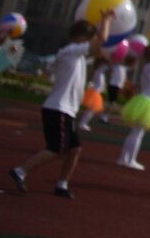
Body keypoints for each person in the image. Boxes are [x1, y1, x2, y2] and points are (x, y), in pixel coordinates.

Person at [8, 13, 112, 198]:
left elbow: (100, 49)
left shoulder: (77, 56)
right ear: (81, 38)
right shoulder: (71, 51)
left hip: (66, 110)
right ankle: (20, 171)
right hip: (58, 108)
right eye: (88, 38)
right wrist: (107, 21)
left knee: (75, 149)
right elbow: (101, 40)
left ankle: (62, 184)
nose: (91, 41)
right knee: (56, 148)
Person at [76, 57, 109, 131]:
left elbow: (100, 84)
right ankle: (82, 123)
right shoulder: (97, 73)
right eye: (104, 65)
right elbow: (92, 82)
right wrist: (90, 88)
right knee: (90, 110)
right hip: (94, 92)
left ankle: (83, 123)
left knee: (91, 110)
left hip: (97, 93)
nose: (106, 67)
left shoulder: (101, 74)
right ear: (100, 64)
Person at [103, 53, 134, 123]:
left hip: (117, 86)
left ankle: (105, 116)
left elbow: (131, 68)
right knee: (111, 102)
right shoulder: (116, 66)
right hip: (113, 85)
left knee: (111, 102)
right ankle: (104, 116)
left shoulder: (123, 67)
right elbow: (110, 68)